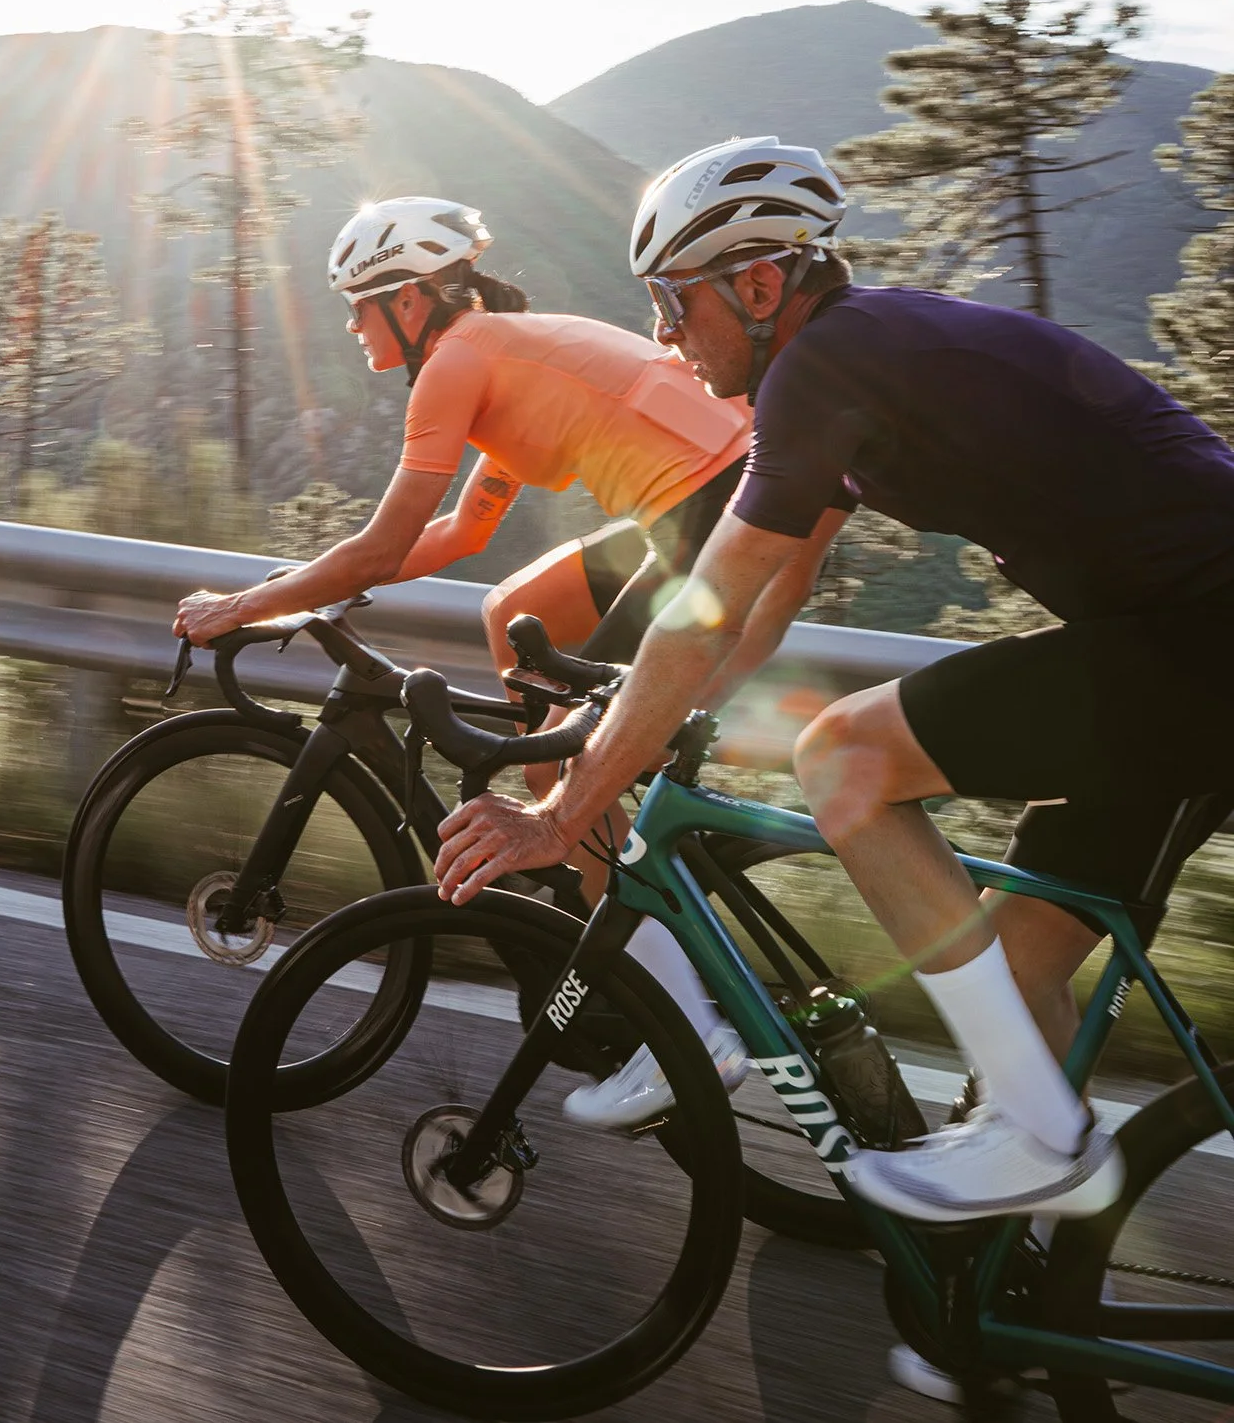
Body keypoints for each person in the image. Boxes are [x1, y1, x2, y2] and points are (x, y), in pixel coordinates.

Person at [436, 134, 1234, 1223]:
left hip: (1198, 644)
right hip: (1173, 649)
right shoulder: (861, 364)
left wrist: (563, 813)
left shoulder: (831, 366)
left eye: (673, 301)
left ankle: (1042, 1141)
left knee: (847, 756)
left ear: (760, 286)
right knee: (1015, 973)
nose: (664, 336)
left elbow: (707, 606)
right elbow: (763, 600)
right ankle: (1013, 1281)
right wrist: (656, 722)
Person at [175, 193, 783, 1106]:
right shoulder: (497, 351)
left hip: (712, 513)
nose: (352, 325)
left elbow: (382, 546)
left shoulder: (457, 362)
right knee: (516, 610)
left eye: (359, 305)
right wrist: (306, 584)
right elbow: (460, 533)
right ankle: (594, 871)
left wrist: (243, 604)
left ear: (408, 300)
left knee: (561, 767)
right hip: (705, 502)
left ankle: (684, 1030)